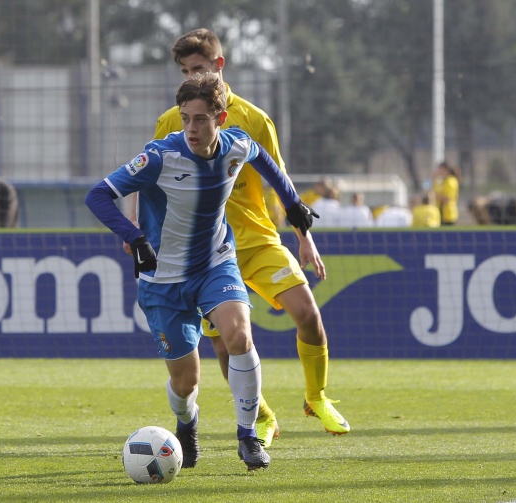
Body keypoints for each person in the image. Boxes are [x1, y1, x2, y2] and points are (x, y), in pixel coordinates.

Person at [86, 72, 322, 470]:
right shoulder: (160, 156)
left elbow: (263, 158)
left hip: (216, 264)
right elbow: (99, 195)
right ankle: (186, 424)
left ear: (221, 118)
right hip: (162, 280)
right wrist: (135, 237)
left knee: (239, 335)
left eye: (200, 119)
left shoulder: (236, 145)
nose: (191, 128)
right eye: (185, 118)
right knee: (186, 381)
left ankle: (248, 437)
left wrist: (293, 203)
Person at [125, 28, 351, 445]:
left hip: (257, 238)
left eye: (198, 68)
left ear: (218, 66)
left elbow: (281, 182)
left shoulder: (254, 120)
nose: (190, 77)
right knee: (229, 348)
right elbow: (145, 177)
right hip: (200, 255)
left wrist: (305, 238)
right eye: (185, 71)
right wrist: (138, 228)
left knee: (308, 314)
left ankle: (316, 396)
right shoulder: (172, 121)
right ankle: (262, 418)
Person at [432, 161, 460, 226]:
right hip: (440, 213)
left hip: (448, 214)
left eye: (440, 169)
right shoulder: (442, 181)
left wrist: (435, 197)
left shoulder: (451, 181)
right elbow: (434, 191)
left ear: (445, 169)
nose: (438, 171)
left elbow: (448, 198)